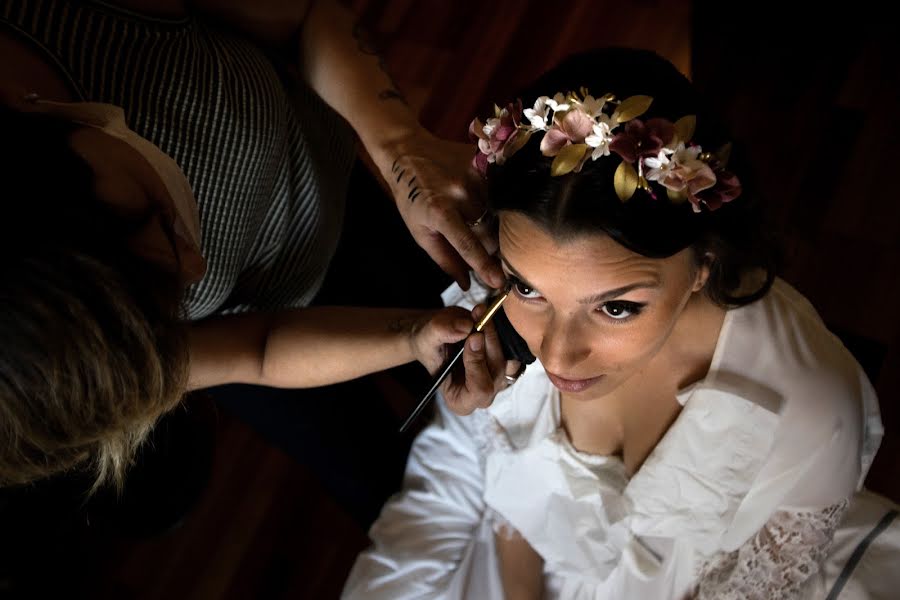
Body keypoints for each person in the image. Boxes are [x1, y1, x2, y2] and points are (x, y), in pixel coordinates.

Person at [342, 48, 899, 599]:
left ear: (705, 264)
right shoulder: (497, 314)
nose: (555, 358)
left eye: (616, 307)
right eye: (526, 286)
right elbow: (520, 501)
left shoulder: (813, 410)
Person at [0, 0, 509, 496]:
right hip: (268, 349)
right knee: (386, 485)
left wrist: (403, 151)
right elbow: (258, 349)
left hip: (342, 201)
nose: (198, 270)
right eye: (170, 310)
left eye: (150, 218)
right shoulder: (51, 361)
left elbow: (310, 15)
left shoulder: (71, 18)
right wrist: (412, 336)